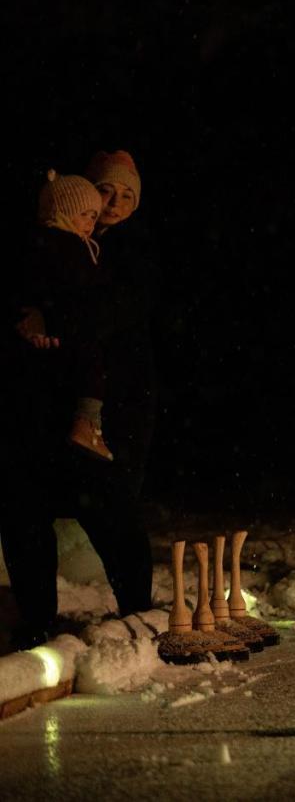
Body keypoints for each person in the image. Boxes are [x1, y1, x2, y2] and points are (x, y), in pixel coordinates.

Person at [2, 150, 156, 650]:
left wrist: (54, 319)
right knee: (25, 512)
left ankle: (138, 608)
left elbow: (112, 313)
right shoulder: (49, 241)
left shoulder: (125, 255)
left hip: (108, 405)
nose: (112, 203)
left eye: (125, 196)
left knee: (110, 506)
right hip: (39, 401)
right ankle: (36, 618)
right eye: (104, 192)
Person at [20, 171, 114, 462]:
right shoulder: (69, 246)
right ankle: (87, 424)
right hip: (71, 327)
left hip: (51, 328)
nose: (90, 225)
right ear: (62, 212)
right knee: (91, 369)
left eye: (93, 218)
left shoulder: (34, 244)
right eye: (85, 215)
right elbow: (82, 286)